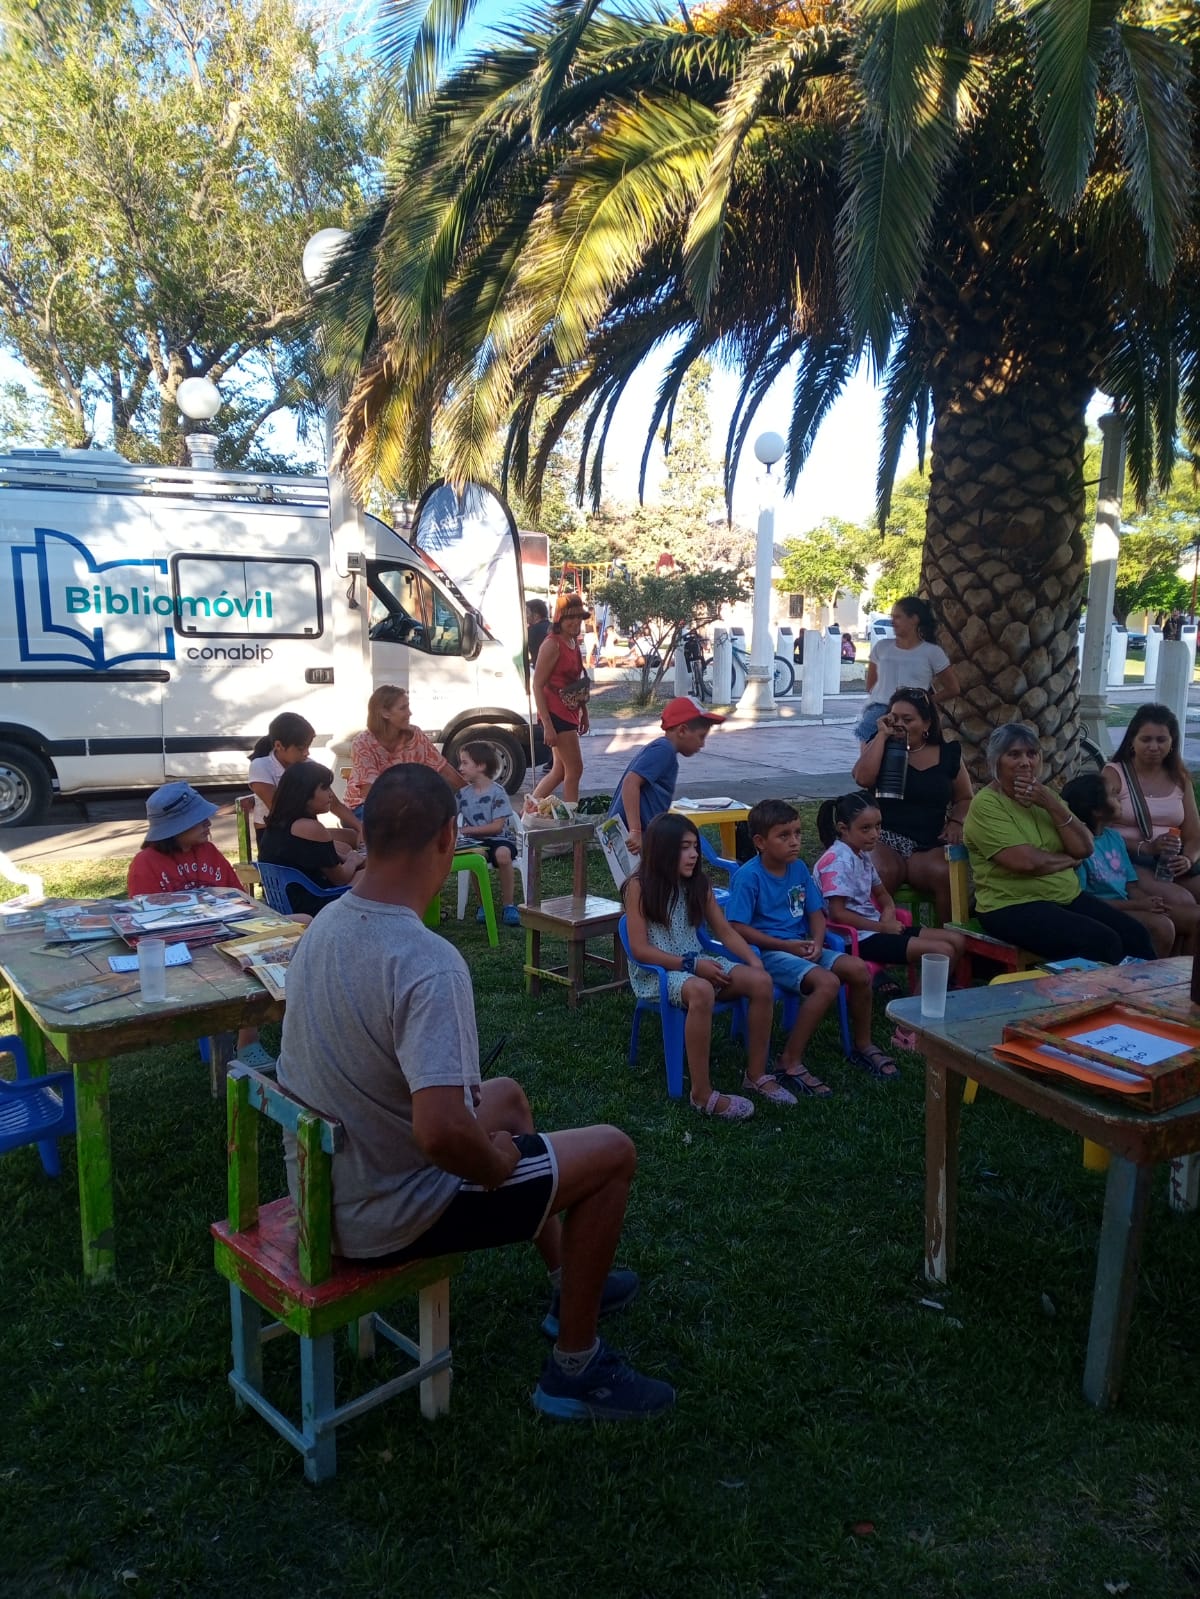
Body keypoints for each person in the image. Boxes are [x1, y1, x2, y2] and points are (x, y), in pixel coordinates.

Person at [275, 764, 674, 1422]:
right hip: (389, 1213)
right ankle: (575, 1367)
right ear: (448, 837)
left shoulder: (323, 924)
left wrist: (490, 1139)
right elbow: (440, 1133)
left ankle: (567, 1284)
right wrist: (495, 1163)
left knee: (507, 1096)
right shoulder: (425, 961)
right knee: (612, 1153)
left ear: (365, 835)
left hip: (325, 1188)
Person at [623, 813, 780, 1118]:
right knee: (702, 990)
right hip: (659, 973)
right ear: (663, 849)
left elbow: (725, 932)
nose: (694, 854)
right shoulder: (638, 887)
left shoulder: (698, 884)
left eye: (695, 846)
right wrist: (691, 964)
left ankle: (756, 1075)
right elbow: (640, 950)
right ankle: (701, 1093)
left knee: (761, 982)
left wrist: (754, 961)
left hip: (697, 962)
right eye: (684, 847)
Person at [964, 723, 1156, 963]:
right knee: (1102, 943)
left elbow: (1085, 847)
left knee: (1136, 935)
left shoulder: (1045, 796)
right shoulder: (987, 805)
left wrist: (1051, 804)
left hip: (1064, 896)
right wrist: (1070, 860)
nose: (1025, 762)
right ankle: (1093, 990)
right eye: (1014, 755)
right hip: (1010, 905)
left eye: (1032, 754)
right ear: (996, 762)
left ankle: (1142, 988)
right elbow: (1027, 863)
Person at [724, 799, 878, 1096]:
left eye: (797, 833)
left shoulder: (798, 869)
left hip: (801, 947)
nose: (794, 841)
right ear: (760, 842)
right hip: (768, 953)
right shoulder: (749, 877)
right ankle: (789, 1060)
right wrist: (785, 945)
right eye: (784, 835)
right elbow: (737, 927)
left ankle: (863, 1044)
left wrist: (818, 943)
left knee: (858, 969)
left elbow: (815, 913)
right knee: (828, 983)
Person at [127, 782, 276, 1070]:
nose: (208, 823)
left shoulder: (208, 851)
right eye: (198, 819)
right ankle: (246, 1041)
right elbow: (146, 923)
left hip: (226, 933)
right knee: (239, 960)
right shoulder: (146, 863)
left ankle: (251, 1037)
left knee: (296, 927)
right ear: (175, 827)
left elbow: (239, 897)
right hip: (181, 947)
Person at [814, 792, 966, 1075]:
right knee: (942, 950)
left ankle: (927, 1005)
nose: (875, 834)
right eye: (866, 828)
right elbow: (837, 915)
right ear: (843, 828)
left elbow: (883, 895)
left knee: (956, 939)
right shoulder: (837, 860)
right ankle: (907, 1030)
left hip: (875, 929)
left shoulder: (861, 855)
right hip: (853, 938)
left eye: (878, 826)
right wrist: (883, 927)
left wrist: (888, 911)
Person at [851, 687, 973, 922]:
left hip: (927, 843)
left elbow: (965, 797)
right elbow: (862, 778)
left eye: (908, 720)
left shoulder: (948, 754)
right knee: (881, 872)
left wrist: (957, 822)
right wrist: (881, 736)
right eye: (894, 718)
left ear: (927, 723)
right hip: (885, 837)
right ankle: (876, 937)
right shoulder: (879, 745)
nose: (900, 724)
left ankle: (948, 938)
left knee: (944, 874)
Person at [1062, 773, 1190, 958]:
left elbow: (1130, 885)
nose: (1120, 799)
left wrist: (1150, 902)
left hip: (1128, 904)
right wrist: (1138, 905)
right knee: (1162, 926)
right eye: (1113, 795)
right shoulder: (1080, 847)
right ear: (1097, 811)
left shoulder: (1114, 838)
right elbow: (1085, 902)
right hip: (1103, 910)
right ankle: (1148, 975)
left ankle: (1183, 973)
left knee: (1194, 918)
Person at [1104, 704, 1200, 908]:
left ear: (1172, 742)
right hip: (1128, 858)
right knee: (1183, 901)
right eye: (1146, 739)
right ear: (1132, 740)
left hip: (1169, 861)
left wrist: (1187, 859)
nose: (1154, 747)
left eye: (1161, 740)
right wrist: (1146, 847)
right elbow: (1098, 832)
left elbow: (1194, 834)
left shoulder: (1179, 778)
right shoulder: (1114, 774)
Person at [607, 696, 725, 855]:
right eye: (701, 736)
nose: (702, 744)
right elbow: (630, 783)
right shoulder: (664, 750)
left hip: (635, 834)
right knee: (641, 872)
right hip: (630, 837)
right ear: (682, 731)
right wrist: (635, 831)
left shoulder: (664, 750)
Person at [257, 761, 365, 916]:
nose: (331, 794)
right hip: (314, 903)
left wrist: (347, 857)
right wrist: (353, 860)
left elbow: (316, 858)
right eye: (325, 788)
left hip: (286, 901)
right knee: (379, 876)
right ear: (304, 794)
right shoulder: (311, 828)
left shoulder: (278, 823)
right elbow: (340, 878)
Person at [855, 596, 961, 746]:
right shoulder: (882, 647)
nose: (893, 621)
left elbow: (953, 688)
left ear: (914, 619)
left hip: (911, 717)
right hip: (877, 714)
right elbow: (870, 685)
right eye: (892, 617)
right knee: (869, 758)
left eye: (898, 617)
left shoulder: (932, 652)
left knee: (906, 757)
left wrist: (923, 702)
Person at [344, 685, 464, 815]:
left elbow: (444, 769)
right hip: (365, 806)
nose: (410, 713)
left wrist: (472, 793)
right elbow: (370, 792)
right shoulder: (363, 743)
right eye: (403, 708)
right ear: (385, 713)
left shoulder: (415, 735)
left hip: (407, 804)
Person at [247, 711, 361, 842]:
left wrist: (360, 828)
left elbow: (335, 805)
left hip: (306, 829)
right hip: (275, 834)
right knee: (342, 847)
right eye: (301, 749)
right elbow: (279, 810)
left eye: (308, 747)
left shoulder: (308, 764)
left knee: (354, 837)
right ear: (279, 746)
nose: (307, 753)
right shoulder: (261, 766)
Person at [530, 595, 591, 808]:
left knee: (560, 771)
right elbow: (537, 685)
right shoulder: (552, 644)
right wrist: (547, 725)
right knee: (575, 769)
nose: (576, 622)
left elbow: (576, 682)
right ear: (559, 619)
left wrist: (584, 712)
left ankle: (527, 812)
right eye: (570, 618)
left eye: (579, 617)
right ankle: (572, 821)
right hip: (555, 713)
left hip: (570, 711)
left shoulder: (572, 642)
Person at [456, 741, 521, 928]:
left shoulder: (497, 792)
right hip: (474, 843)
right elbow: (450, 816)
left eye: (465, 763)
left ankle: (509, 905)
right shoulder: (461, 794)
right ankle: (483, 904)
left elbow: (497, 827)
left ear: (481, 766)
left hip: (499, 839)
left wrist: (465, 830)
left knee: (503, 855)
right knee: (476, 857)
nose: (460, 768)